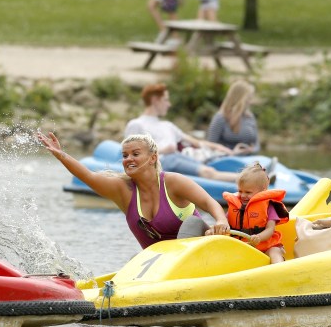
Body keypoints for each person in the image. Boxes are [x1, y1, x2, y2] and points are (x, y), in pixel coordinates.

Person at [37, 131, 230, 249]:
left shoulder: (173, 182)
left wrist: (221, 221)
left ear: (152, 158)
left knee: (191, 225)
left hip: (196, 254)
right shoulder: (123, 190)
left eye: (135, 154)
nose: (128, 159)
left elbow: (209, 203)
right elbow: (89, 176)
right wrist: (61, 155)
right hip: (163, 266)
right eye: (125, 155)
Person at [124, 83, 240, 183]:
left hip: (176, 156)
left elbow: (196, 143)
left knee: (209, 168)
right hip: (162, 160)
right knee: (207, 172)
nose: (169, 104)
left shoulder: (167, 125)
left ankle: (247, 179)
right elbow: (130, 154)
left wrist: (220, 148)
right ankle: (251, 180)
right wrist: (163, 149)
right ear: (155, 100)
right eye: (165, 100)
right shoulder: (137, 124)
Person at [223, 162, 289, 264]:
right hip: (241, 246)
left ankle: (280, 269)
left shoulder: (268, 206)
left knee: (274, 251)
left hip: (266, 245)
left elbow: (270, 230)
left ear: (263, 191)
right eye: (240, 191)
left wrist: (259, 237)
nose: (243, 195)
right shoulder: (235, 205)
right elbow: (225, 224)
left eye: (248, 192)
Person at [206, 81, 261, 155]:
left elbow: (257, 144)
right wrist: (231, 152)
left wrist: (251, 150)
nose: (250, 102)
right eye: (248, 98)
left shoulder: (250, 117)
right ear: (240, 98)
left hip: (247, 158)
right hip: (226, 158)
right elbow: (210, 145)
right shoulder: (220, 118)